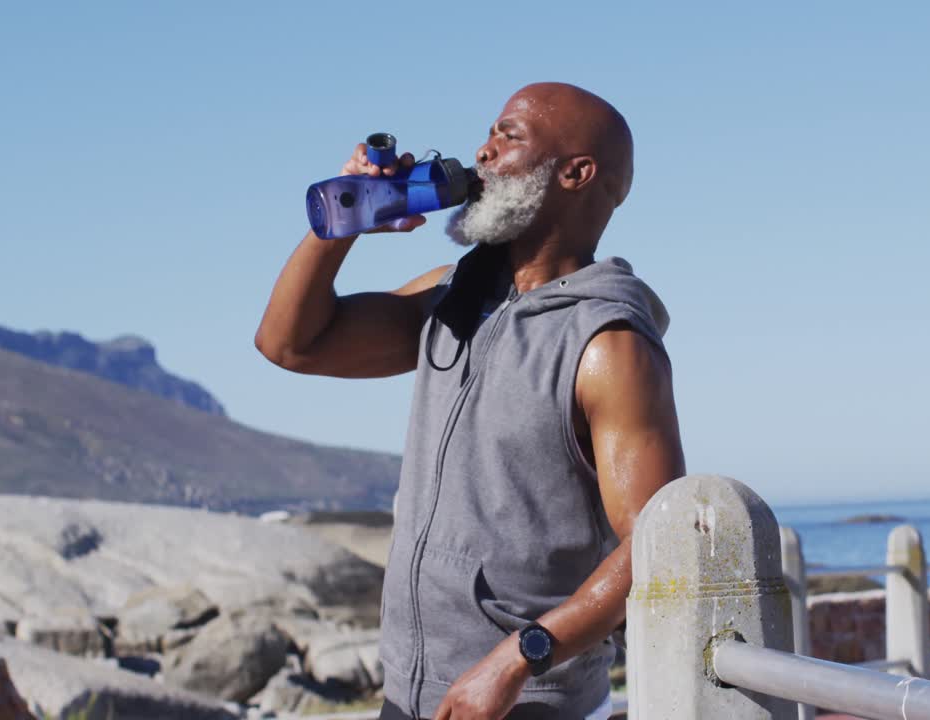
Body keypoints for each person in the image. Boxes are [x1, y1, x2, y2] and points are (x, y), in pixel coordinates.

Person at [255, 82, 685, 720]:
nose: (481, 153)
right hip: (411, 694)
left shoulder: (608, 346)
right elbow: (289, 344)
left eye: (509, 137)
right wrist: (340, 225)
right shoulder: (450, 300)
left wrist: (518, 658)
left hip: (524, 702)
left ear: (576, 172)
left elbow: (658, 543)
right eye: (488, 134)